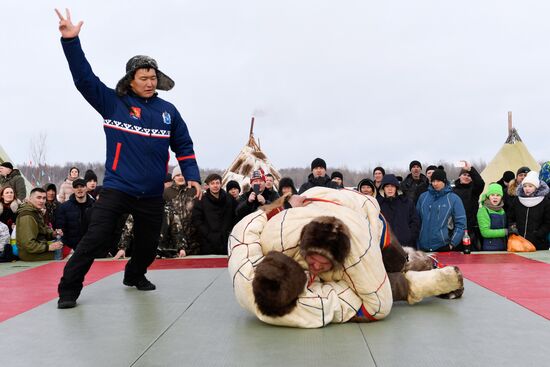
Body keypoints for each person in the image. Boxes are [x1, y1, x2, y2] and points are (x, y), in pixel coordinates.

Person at [55, 9, 202, 309]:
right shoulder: (114, 103)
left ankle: (134, 275)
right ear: (130, 80)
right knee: (95, 239)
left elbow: (183, 145)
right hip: (118, 188)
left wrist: (193, 174)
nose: (150, 83)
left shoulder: (168, 112)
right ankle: (68, 289)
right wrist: (71, 42)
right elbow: (84, 79)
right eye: (144, 78)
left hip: (150, 193)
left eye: (153, 78)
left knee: (148, 246)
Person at [229, 187, 463, 328]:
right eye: (312, 263)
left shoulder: (358, 252)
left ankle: (424, 262)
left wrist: (283, 203)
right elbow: (246, 227)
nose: (317, 268)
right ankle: (426, 276)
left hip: (362, 212)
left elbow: (378, 306)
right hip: (316, 204)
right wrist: (283, 204)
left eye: (323, 263)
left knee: (394, 260)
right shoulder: (271, 243)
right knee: (372, 284)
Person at [416, 169, 467, 252]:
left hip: (443, 247)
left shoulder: (453, 199)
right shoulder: (423, 197)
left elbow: (461, 224)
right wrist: (417, 243)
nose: (435, 183)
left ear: (444, 181)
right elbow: (416, 221)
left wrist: (452, 244)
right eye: (433, 181)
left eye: (438, 181)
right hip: (423, 247)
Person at [158, 165, 199, 257]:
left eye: (183, 174)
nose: (181, 177)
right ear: (173, 178)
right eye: (178, 175)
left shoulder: (193, 191)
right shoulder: (166, 193)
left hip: (193, 238)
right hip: (174, 239)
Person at [192, 173, 236, 255]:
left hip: (226, 241)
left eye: (217, 183)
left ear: (221, 184)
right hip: (208, 242)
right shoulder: (201, 200)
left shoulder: (229, 199)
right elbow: (197, 220)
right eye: (212, 183)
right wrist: (208, 234)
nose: (215, 186)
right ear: (208, 185)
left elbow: (236, 216)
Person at [15, 188, 63, 261]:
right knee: (66, 254)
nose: (42, 201)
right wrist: (49, 247)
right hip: (30, 254)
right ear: (30, 199)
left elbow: (42, 231)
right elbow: (29, 245)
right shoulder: (27, 216)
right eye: (38, 198)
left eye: (44, 198)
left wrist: (53, 234)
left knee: (68, 245)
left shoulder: (36, 212)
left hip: (38, 249)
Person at [508, 171, 550, 250]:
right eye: (525, 186)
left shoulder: (545, 202)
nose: (527, 189)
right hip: (519, 243)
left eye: (530, 186)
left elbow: (548, 222)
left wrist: (538, 234)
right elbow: (511, 217)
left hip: (538, 243)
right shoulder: (517, 200)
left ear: (536, 187)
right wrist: (513, 229)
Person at [377, 174, 420, 248]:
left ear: (396, 188)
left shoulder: (407, 202)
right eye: (387, 186)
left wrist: (409, 236)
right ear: (383, 188)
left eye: (392, 186)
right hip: (386, 246)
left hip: (406, 245)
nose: (390, 189)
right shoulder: (378, 205)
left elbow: (415, 221)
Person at [452, 161, 485, 250]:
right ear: (460, 176)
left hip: (470, 229)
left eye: (469, 175)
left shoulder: (474, 190)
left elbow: (480, 183)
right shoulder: (452, 191)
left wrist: (471, 170)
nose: (466, 177)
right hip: (455, 229)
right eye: (464, 175)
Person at [55, 179, 95, 251]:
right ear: (73, 189)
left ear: (86, 188)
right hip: (72, 249)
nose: (79, 189)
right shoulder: (64, 207)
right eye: (76, 187)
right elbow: (60, 228)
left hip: (92, 247)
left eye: (82, 186)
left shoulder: (95, 206)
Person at [477, 183, 507, 251]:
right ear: (488, 196)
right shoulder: (483, 210)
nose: (495, 197)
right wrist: (505, 232)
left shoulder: (502, 210)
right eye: (492, 195)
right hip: (490, 249)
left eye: (498, 195)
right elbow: (485, 232)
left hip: (504, 248)